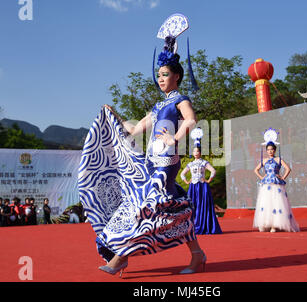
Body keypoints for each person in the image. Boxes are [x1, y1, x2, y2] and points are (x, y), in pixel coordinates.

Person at [79, 14, 206, 277]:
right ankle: (197, 254)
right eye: (158, 75)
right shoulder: (158, 105)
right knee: (168, 207)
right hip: (152, 159)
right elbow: (135, 128)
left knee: (144, 205)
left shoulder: (180, 100)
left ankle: (120, 257)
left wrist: (176, 137)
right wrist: (112, 117)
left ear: (177, 76)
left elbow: (191, 120)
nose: (160, 79)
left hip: (168, 160)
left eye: (165, 74)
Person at [253, 128, 300, 233]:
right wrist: (262, 177)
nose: (270, 151)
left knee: (277, 203)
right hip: (266, 183)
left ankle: (275, 225)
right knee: (266, 203)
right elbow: (256, 170)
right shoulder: (264, 160)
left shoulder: (278, 159)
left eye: (272, 149)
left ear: (274, 150)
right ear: (266, 151)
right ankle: (266, 224)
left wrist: (282, 177)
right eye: (268, 150)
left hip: (276, 184)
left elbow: (288, 168)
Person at [180, 129, 222, 235]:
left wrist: (208, 180)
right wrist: (186, 181)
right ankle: (192, 226)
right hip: (193, 187)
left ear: (200, 152)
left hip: (203, 187)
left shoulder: (204, 162)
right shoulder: (191, 164)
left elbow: (213, 171)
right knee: (193, 206)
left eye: (197, 151)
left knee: (203, 206)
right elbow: (182, 174)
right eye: (194, 151)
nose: (195, 153)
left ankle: (204, 225)